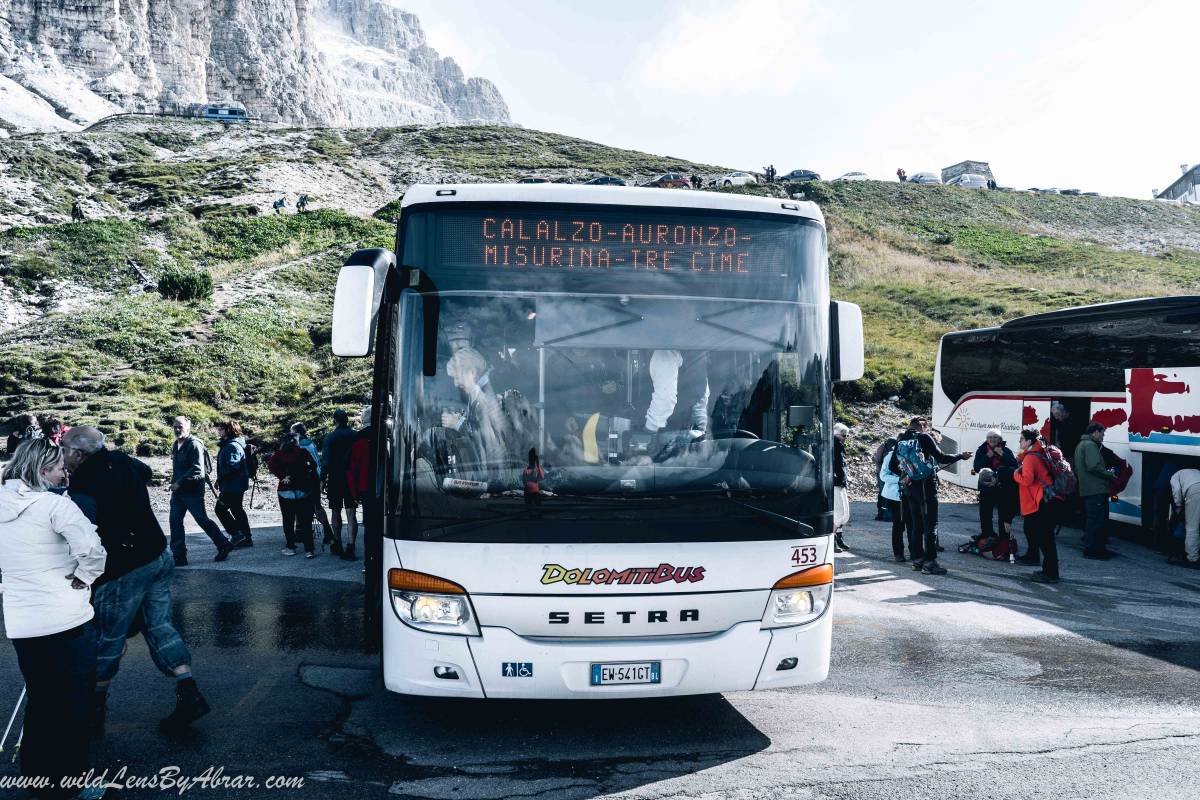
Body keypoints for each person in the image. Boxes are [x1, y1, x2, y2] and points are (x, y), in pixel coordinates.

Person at [61, 426, 211, 735]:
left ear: (78, 453)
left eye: (64, 449)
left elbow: (83, 531)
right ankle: (189, 691)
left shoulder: (84, 481)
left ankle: (94, 710)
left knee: (107, 636)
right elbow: (143, 471)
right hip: (157, 553)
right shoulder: (122, 460)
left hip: (123, 566)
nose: (62, 455)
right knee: (159, 625)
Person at [0, 438, 106, 797]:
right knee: (73, 706)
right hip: (65, 619)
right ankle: (72, 785)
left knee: (43, 702)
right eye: (61, 468)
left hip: (22, 622)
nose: (66, 474)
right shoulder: (56, 506)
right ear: (43, 470)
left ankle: (38, 779)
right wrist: (85, 577)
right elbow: (93, 551)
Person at [889, 417, 970, 575]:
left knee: (916, 525)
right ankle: (930, 562)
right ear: (921, 426)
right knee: (931, 524)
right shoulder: (923, 437)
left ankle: (917, 560)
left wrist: (907, 474)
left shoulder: (901, 440)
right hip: (926, 486)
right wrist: (961, 456)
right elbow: (941, 458)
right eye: (925, 426)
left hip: (910, 488)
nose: (926, 430)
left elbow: (893, 466)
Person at [168, 416, 234, 566]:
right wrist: (174, 483)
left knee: (201, 519)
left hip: (192, 491)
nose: (177, 430)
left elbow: (198, 470)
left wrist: (179, 482)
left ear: (188, 427)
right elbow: (178, 467)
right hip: (178, 492)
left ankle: (223, 544)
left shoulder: (194, 444)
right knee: (175, 521)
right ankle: (179, 556)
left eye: (180, 427)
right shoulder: (176, 444)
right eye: (175, 427)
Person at [442, 347, 507, 466]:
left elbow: (486, 445)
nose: (455, 383)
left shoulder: (480, 402)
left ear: (472, 373)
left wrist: (457, 424)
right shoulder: (473, 399)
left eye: (458, 377)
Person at [1014, 429, 1059, 583]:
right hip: (1047, 500)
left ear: (1028, 441)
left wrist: (1015, 474)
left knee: (1045, 539)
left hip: (1041, 501)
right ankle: (1048, 570)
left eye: (1021, 439)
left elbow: (1026, 480)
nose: (1019, 442)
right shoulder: (1038, 453)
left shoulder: (1030, 458)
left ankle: (1051, 574)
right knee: (1044, 537)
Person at [269, 433, 319, 558]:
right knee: (305, 521)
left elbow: (270, 465)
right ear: (296, 441)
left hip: (285, 491)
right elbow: (313, 465)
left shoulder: (279, 454)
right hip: (303, 490)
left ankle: (290, 547)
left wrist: (282, 476)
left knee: (288, 520)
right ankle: (309, 550)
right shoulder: (303, 452)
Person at [293, 422, 338, 553]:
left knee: (303, 505)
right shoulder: (310, 443)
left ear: (297, 432)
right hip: (316, 477)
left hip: (307, 478)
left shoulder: (301, 444)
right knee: (317, 505)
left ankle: (302, 534)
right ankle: (327, 532)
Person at [1074, 422, 1117, 560]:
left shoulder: (1081, 445)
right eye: (1102, 434)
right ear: (1095, 432)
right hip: (1096, 489)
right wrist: (1109, 474)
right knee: (1097, 521)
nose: (1102, 437)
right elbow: (1094, 466)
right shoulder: (1091, 446)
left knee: (1091, 520)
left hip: (1087, 489)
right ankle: (1094, 550)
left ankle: (1091, 548)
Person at [321, 409, 358, 557]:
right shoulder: (355, 435)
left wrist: (323, 480)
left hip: (336, 477)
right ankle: (351, 545)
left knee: (335, 511)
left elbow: (326, 461)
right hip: (351, 477)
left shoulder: (330, 437)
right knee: (351, 512)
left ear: (334, 420)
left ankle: (337, 542)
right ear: (347, 419)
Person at [214, 420, 254, 548]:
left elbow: (233, 466)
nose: (218, 431)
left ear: (228, 430)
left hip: (233, 486)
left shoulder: (232, 446)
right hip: (235, 484)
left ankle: (237, 534)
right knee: (237, 510)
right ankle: (246, 537)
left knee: (220, 509)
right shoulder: (232, 444)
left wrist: (220, 478)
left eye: (220, 429)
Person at [973, 429, 1018, 540]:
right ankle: (987, 534)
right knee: (985, 513)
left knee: (1003, 514)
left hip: (1002, 487)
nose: (992, 439)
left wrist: (1001, 454)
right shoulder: (981, 450)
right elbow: (977, 467)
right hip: (986, 486)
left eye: (995, 437)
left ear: (999, 439)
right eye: (990, 437)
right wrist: (988, 455)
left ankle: (1004, 538)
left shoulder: (1006, 450)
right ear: (986, 439)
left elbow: (1014, 465)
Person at [343, 408, 374, 561]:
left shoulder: (357, 440)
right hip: (385, 486)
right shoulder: (389, 434)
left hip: (365, 487)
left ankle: (369, 557)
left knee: (369, 525)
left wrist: (354, 494)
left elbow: (351, 469)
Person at [877, 438, 910, 562]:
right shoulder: (890, 456)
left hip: (910, 495)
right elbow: (883, 475)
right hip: (895, 496)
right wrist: (899, 480)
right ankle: (898, 553)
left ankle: (914, 552)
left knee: (911, 525)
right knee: (898, 525)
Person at [1168, 468, 1200, 568]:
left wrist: (1178, 505)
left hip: (1195, 492)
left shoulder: (1175, 476)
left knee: (1192, 527)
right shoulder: (1196, 471)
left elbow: (1177, 489)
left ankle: (1192, 559)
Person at [832, 423, 851, 552]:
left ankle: (837, 537)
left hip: (841, 482)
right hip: (836, 482)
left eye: (846, 435)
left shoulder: (839, 446)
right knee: (839, 513)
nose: (845, 437)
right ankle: (832, 539)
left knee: (844, 515)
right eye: (843, 435)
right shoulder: (834, 446)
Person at [522, 448, 545, 515]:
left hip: (535, 492)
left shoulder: (537, 469)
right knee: (530, 510)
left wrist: (538, 465)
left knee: (537, 510)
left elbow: (542, 477)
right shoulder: (526, 469)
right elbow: (524, 481)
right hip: (529, 492)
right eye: (530, 459)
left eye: (532, 459)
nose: (531, 460)